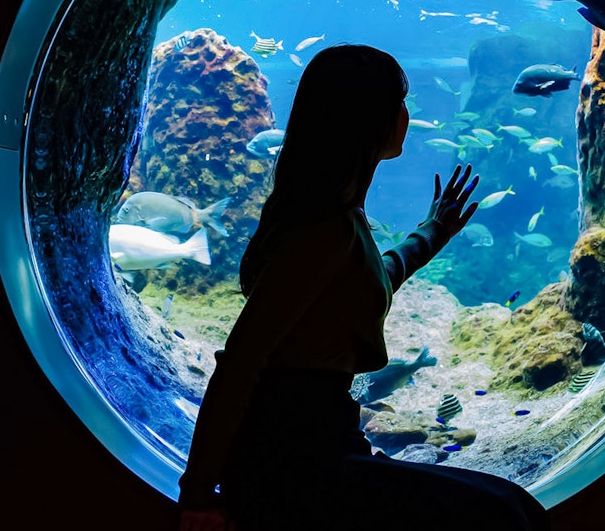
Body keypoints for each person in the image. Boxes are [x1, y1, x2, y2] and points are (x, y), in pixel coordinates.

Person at [178, 44, 549, 531]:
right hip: (292, 462)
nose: (406, 114)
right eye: (400, 101)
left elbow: (367, 280)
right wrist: (197, 496)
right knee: (505, 514)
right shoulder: (324, 228)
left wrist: (431, 233)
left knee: (508, 506)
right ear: (368, 118)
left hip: (319, 444)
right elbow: (241, 361)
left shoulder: (333, 216)